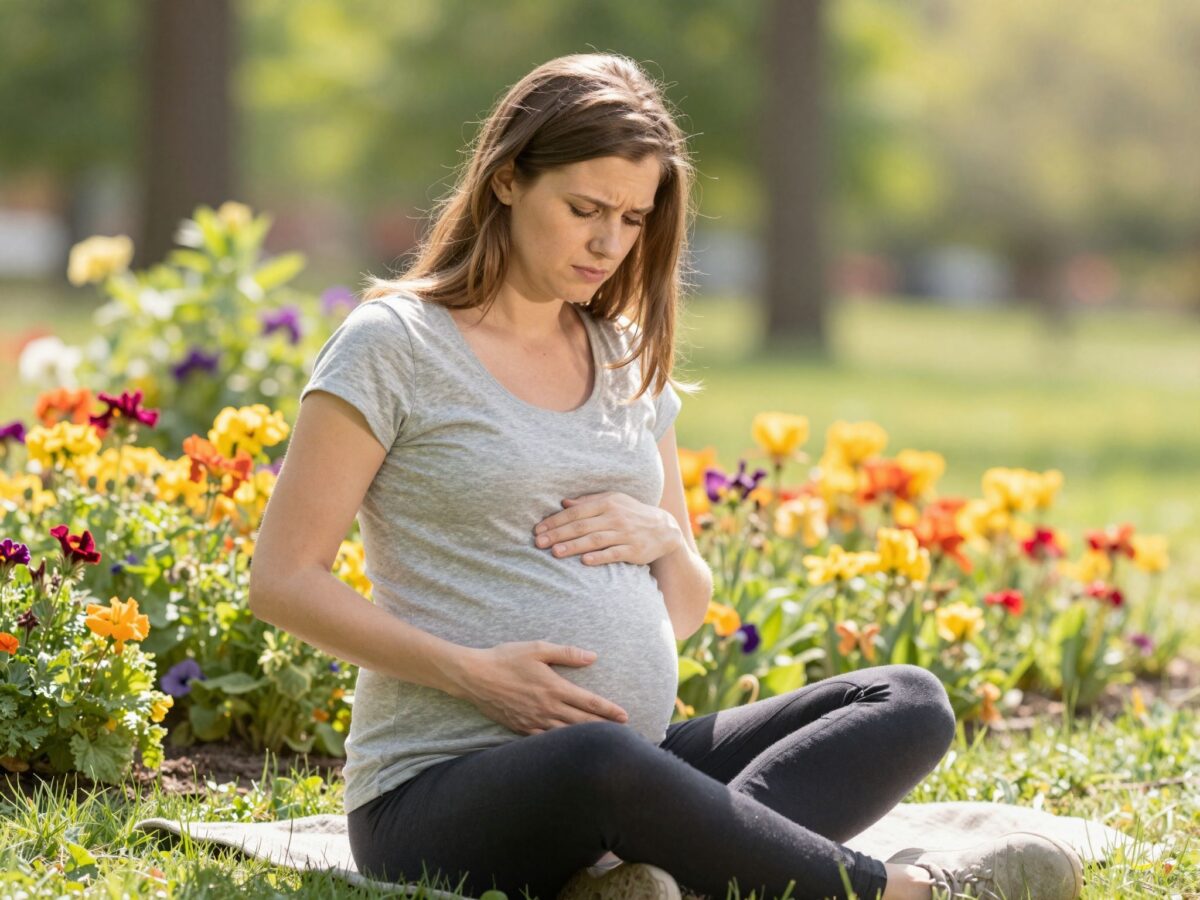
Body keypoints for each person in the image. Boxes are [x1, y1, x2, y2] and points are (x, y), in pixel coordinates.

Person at [249, 53, 1084, 900]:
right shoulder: (395, 345)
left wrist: (667, 542)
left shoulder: (622, 352)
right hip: (438, 796)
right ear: (506, 181)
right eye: (584, 209)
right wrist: (474, 675)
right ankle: (902, 896)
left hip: (631, 766)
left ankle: (648, 878)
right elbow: (282, 581)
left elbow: (680, 610)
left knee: (906, 699)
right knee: (601, 764)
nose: (608, 243)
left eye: (633, 218)